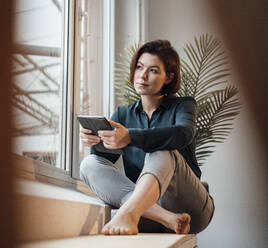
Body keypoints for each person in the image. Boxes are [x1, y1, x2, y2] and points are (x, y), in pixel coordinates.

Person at [79, 40, 215, 235]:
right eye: (139, 67)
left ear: (168, 77)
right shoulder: (122, 114)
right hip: (150, 212)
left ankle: (130, 213)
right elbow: (104, 165)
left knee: (161, 151)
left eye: (153, 70)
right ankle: (165, 217)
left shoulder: (183, 105)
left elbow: (183, 133)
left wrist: (129, 137)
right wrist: (96, 140)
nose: (142, 75)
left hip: (190, 207)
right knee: (89, 164)